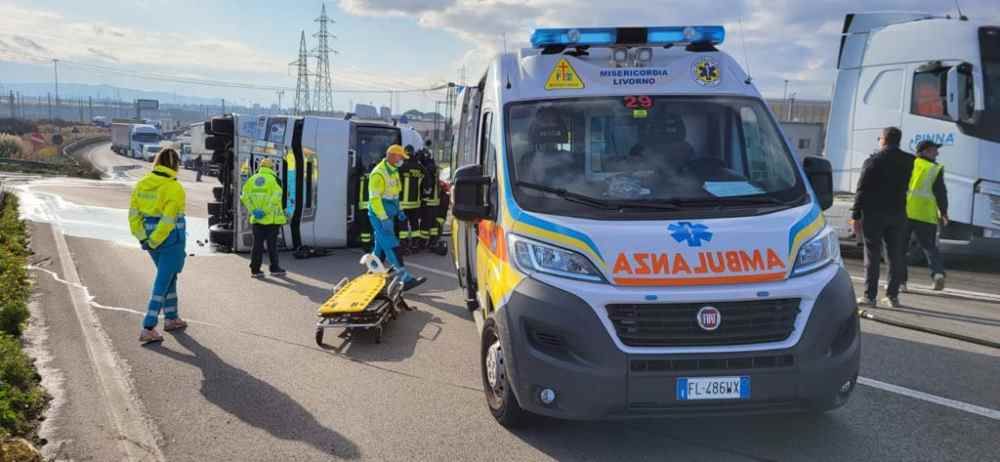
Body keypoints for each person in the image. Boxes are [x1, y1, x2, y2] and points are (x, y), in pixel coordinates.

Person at [128, 148, 189, 343]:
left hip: (149, 237)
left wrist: (144, 239)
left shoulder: (142, 184)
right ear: (175, 164)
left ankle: (171, 318)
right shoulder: (174, 188)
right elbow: (168, 220)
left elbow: (133, 215)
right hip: (171, 240)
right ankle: (148, 326)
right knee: (162, 281)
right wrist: (155, 240)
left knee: (169, 278)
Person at [852, 126, 914, 308]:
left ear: (884, 140)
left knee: (872, 254)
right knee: (895, 255)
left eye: (879, 138)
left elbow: (862, 189)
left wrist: (856, 215)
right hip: (898, 213)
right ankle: (892, 297)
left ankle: (870, 296)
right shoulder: (909, 160)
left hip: (874, 213)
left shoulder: (873, 161)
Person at [369, 144, 426, 291]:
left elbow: (395, 195)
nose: (402, 160)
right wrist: (383, 218)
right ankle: (404, 278)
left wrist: (399, 210)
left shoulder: (393, 171)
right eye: (401, 157)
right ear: (393, 156)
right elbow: (375, 200)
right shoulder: (378, 173)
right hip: (380, 215)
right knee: (391, 245)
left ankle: (372, 270)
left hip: (389, 215)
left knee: (380, 245)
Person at [903, 140, 948, 291]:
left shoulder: (909, 164)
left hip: (905, 212)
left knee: (900, 248)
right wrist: (944, 212)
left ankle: (900, 281)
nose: (937, 153)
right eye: (934, 150)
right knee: (929, 246)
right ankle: (938, 274)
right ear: (924, 152)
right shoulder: (935, 168)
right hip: (926, 215)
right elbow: (941, 192)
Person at [241, 157, 287, 278]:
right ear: (272, 168)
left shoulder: (251, 179)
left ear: (260, 167)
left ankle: (255, 270)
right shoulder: (275, 180)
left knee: (257, 245)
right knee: (272, 245)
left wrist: (254, 211)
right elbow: (276, 198)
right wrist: (265, 211)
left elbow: (244, 196)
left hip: (257, 219)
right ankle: (274, 268)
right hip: (272, 219)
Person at [397, 144, 424, 254]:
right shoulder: (420, 168)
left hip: (403, 204)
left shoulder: (401, 167)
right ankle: (415, 245)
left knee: (403, 226)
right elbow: (427, 183)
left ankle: (404, 247)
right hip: (415, 203)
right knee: (415, 225)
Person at [417, 140, 442, 250]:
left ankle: (423, 243)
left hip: (428, 201)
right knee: (433, 224)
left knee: (425, 223)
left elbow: (427, 184)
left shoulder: (428, 168)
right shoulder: (434, 167)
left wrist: (424, 196)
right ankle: (433, 241)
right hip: (435, 201)